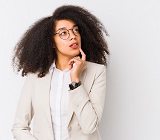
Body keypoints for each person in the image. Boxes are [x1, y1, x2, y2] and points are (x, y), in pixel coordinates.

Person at [11, 5, 109, 140]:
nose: (73, 36)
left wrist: (75, 80)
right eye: (64, 33)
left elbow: (89, 126)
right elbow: (19, 127)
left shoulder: (96, 72)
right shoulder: (35, 76)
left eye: (75, 30)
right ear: (52, 42)